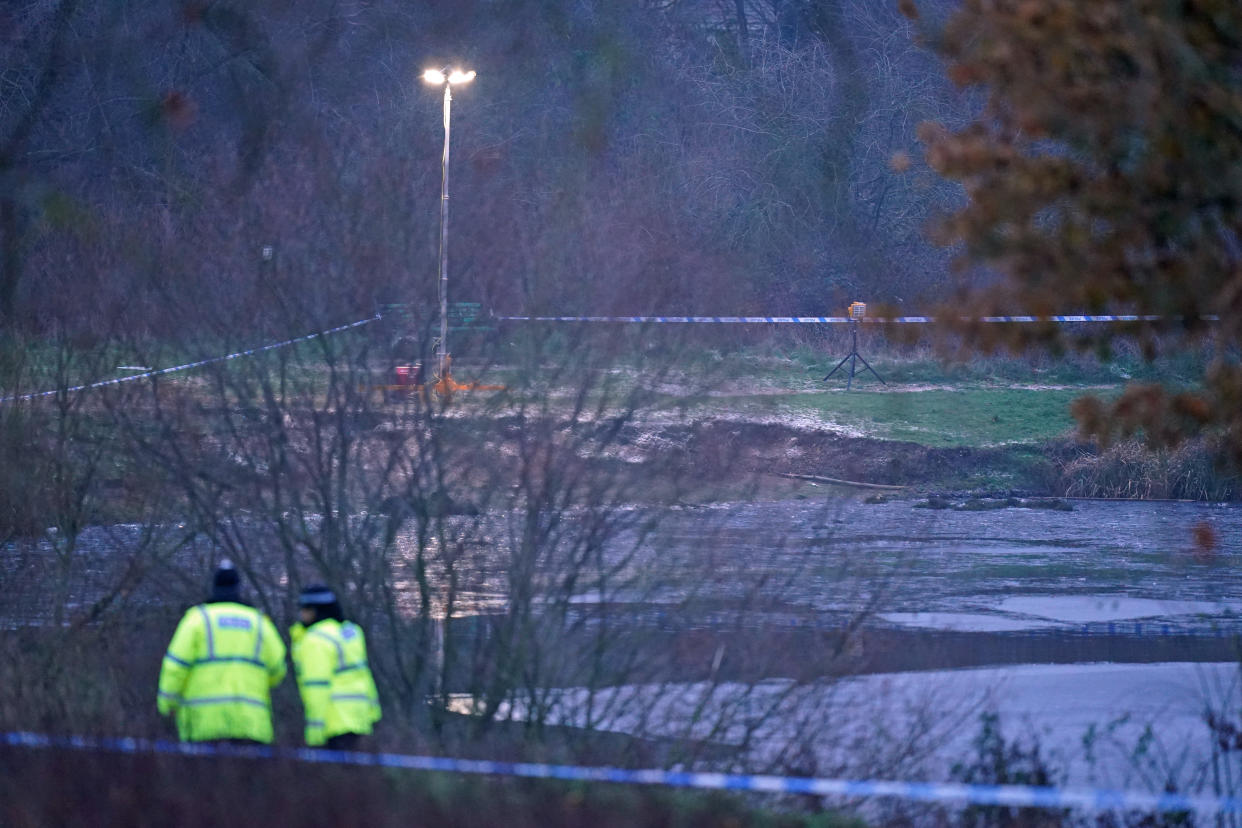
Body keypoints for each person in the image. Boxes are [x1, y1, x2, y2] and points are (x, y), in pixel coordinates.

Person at [157, 559, 287, 744]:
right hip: (251, 725)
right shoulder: (259, 622)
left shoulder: (197, 620)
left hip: (203, 725)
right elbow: (278, 670)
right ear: (238, 587)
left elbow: (175, 667)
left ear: (214, 586)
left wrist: (167, 705)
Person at [290, 584, 381, 750]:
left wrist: (315, 735)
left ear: (316, 610)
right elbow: (364, 676)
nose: (301, 613)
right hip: (358, 718)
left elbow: (316, 687)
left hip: (332, 722)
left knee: (331, 774)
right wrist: (373, 715)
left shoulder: (315, 640)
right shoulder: (351, 632)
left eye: (305, 609)